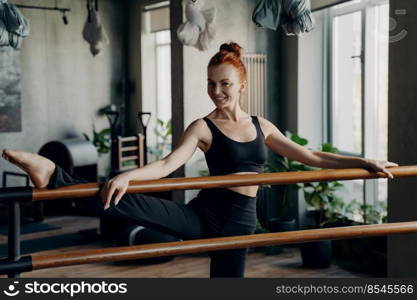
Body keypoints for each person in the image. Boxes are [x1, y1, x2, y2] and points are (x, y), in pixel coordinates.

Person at [2, 42, 398, 278]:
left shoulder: (263, 125)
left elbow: (309, 156)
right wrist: (129, 174)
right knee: (121, 197)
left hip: (242, 223)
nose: (217, 91)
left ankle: (54, 176)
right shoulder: (203, 126)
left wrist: (365, 162)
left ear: (241, 84)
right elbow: (167, 165)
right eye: (211, 84)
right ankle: (52, 173)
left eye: (224, 84)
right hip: (204, 215)